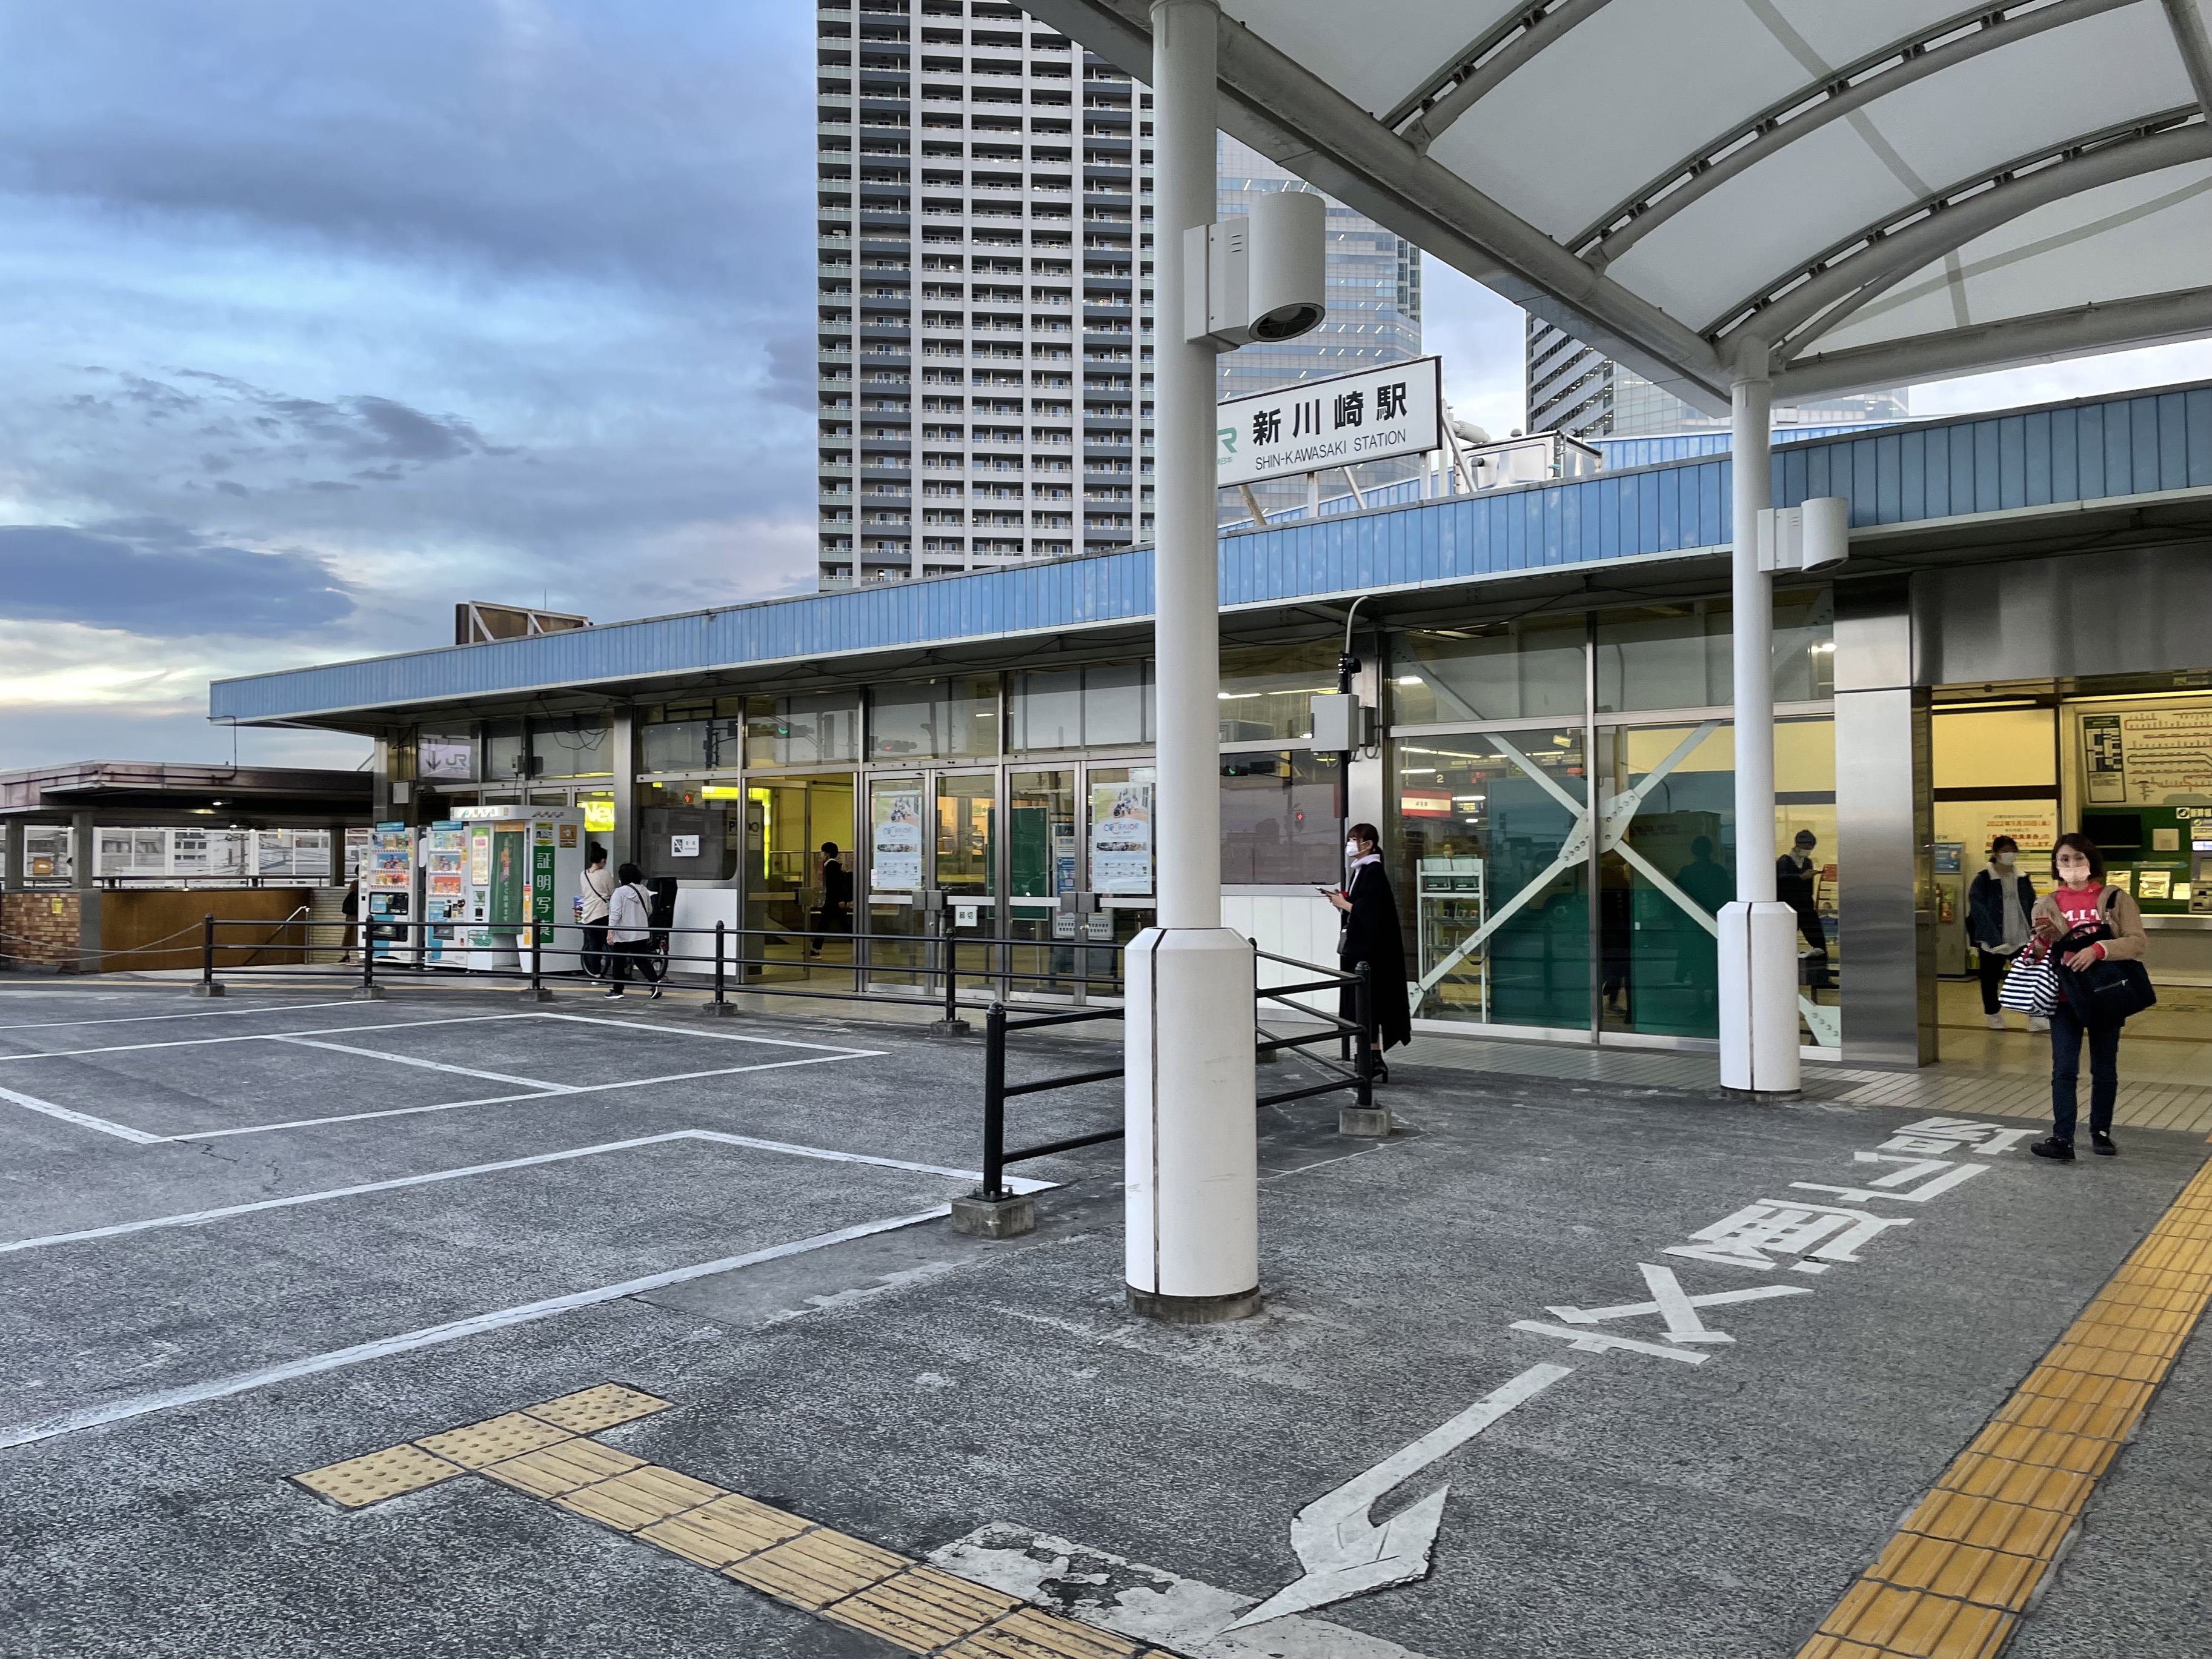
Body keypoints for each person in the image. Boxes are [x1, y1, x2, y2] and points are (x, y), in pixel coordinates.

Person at [2027, 831, 2147, 1162]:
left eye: (2079, 858)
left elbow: (2138, 941)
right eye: (2064, 859)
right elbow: (2039, 955)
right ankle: (2062, 1138)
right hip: (2065, 998)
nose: (2072, 864)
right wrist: (2041, 943)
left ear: (2091, 861)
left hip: (2105, 995)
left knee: (2104, 1069)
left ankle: (2101, 1132)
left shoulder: (2114, 898)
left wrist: (2099, 949)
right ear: (2056, 865)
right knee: (2063, 1070)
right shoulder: (2046, 903)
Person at [1325, 823, 1412, 1082]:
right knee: (1367, 1003)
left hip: (1370, 953)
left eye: (1356, 840)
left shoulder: (1372, 871)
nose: (1351, 844)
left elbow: (1372, 912)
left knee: (1367, 1002)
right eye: (1350, 839)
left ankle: (1369, 1058)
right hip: (1366, 950)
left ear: (1369, 844)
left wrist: (1344, 903)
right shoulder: (1363, 870)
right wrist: (1343, 902)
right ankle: (1370, 1058)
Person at [1967, 834, 2040, 1032]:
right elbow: (1977, 909)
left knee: (2031, 976)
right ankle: (1993, 1014)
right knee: (1990, 979)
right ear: (1996, 853)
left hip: (2021, 937)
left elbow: (2031, 904)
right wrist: (1991, 937)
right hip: (1994, 939)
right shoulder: (1984, 879)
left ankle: (2035, 1016)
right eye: (2005, 851)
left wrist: (2036, 931)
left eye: (2013, 851)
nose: (2010, 855)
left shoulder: (2022, 877)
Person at [1776, 828, 1832, 990]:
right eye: (1807, 846)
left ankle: (1821, 978)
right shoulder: (1784, 861)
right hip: (1788, 907)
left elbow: (1809, 887)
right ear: (1798, 844)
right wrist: (1799, 878)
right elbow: (1779, 880)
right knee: (1784, 944)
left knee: (1819, 942)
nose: (1808, 850)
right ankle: (1783, 978)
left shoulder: (1807, 862)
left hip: (1805, 906)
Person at [603, 862, 660, 1000]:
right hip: (640, 931)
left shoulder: (619, 892)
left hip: (623, 933)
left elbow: (615, 913)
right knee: (641, 959)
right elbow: (650, 910)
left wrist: (610, 931)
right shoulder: (643, 890)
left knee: (618, 960)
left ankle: (618, 990)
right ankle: (655, 983)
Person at [810, 840, 852, 958]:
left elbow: (835, 885)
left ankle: (816, 951)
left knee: (827, 926)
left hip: (833, 902)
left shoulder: (831, 866)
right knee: (838, 925)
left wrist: (841, 900)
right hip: (834, 902)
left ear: (827, 853)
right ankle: (815, 950)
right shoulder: (834, 865)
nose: (822, 854)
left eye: (823, 852)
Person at [577, 843, 613, 979]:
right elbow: (611, 892)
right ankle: (621, 970)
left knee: (595, 946)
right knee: (612, 942)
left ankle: (596, 975)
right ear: (603, 860)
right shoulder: (605, 874)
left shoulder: (583, 874)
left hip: (588, 914)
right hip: (602, 913)